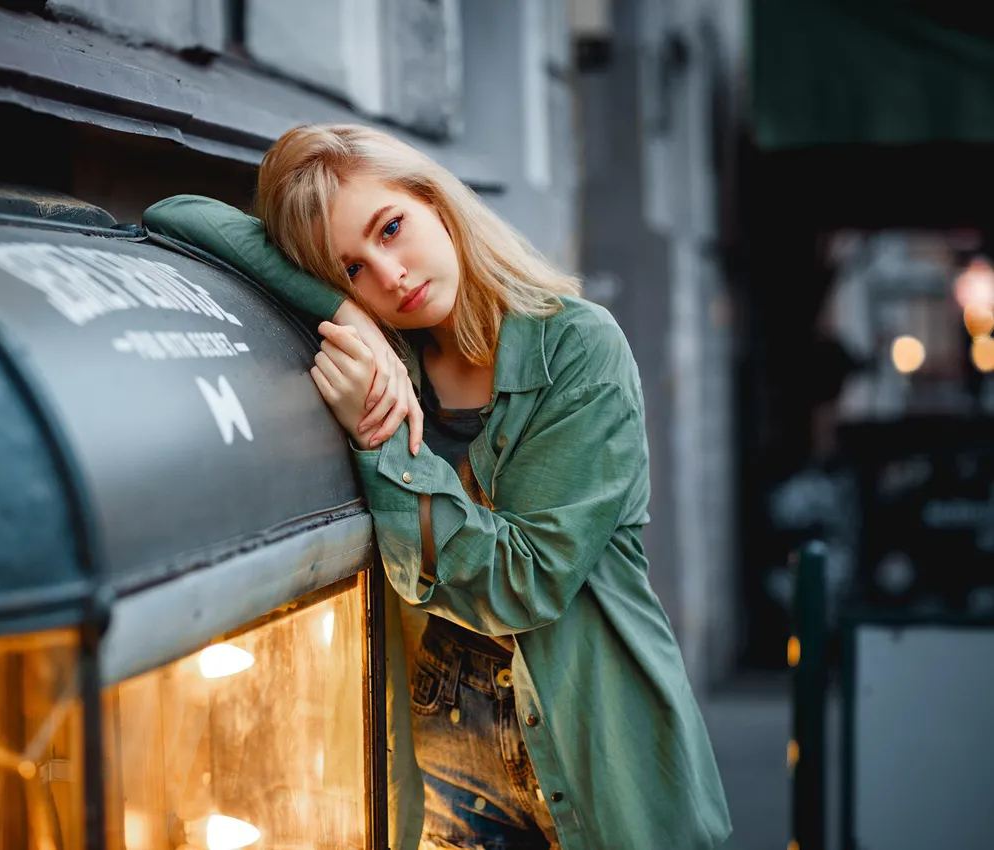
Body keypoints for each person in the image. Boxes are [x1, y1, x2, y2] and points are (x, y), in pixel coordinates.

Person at [144, 124, 731, 850]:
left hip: (595, 749)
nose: (389, 275)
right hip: (441, 757)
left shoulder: (580, 347)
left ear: (436, 201)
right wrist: (342, 311)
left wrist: (381, 436)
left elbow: (524, 582)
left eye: (391, 228)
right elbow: (175, 213)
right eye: (352, 269)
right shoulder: (387, 353)